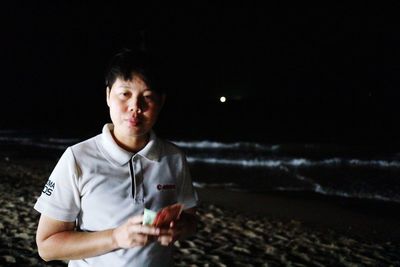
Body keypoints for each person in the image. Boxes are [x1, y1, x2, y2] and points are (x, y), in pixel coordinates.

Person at [34, 48, 198, 267]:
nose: (135, 107)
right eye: (125, 94)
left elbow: (190, 218)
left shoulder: (174, 157)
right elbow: (47, 247)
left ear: (161, 102)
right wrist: (115, 237)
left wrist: (180, 228)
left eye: (147, 97)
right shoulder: (77, 158)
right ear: (108, 95)